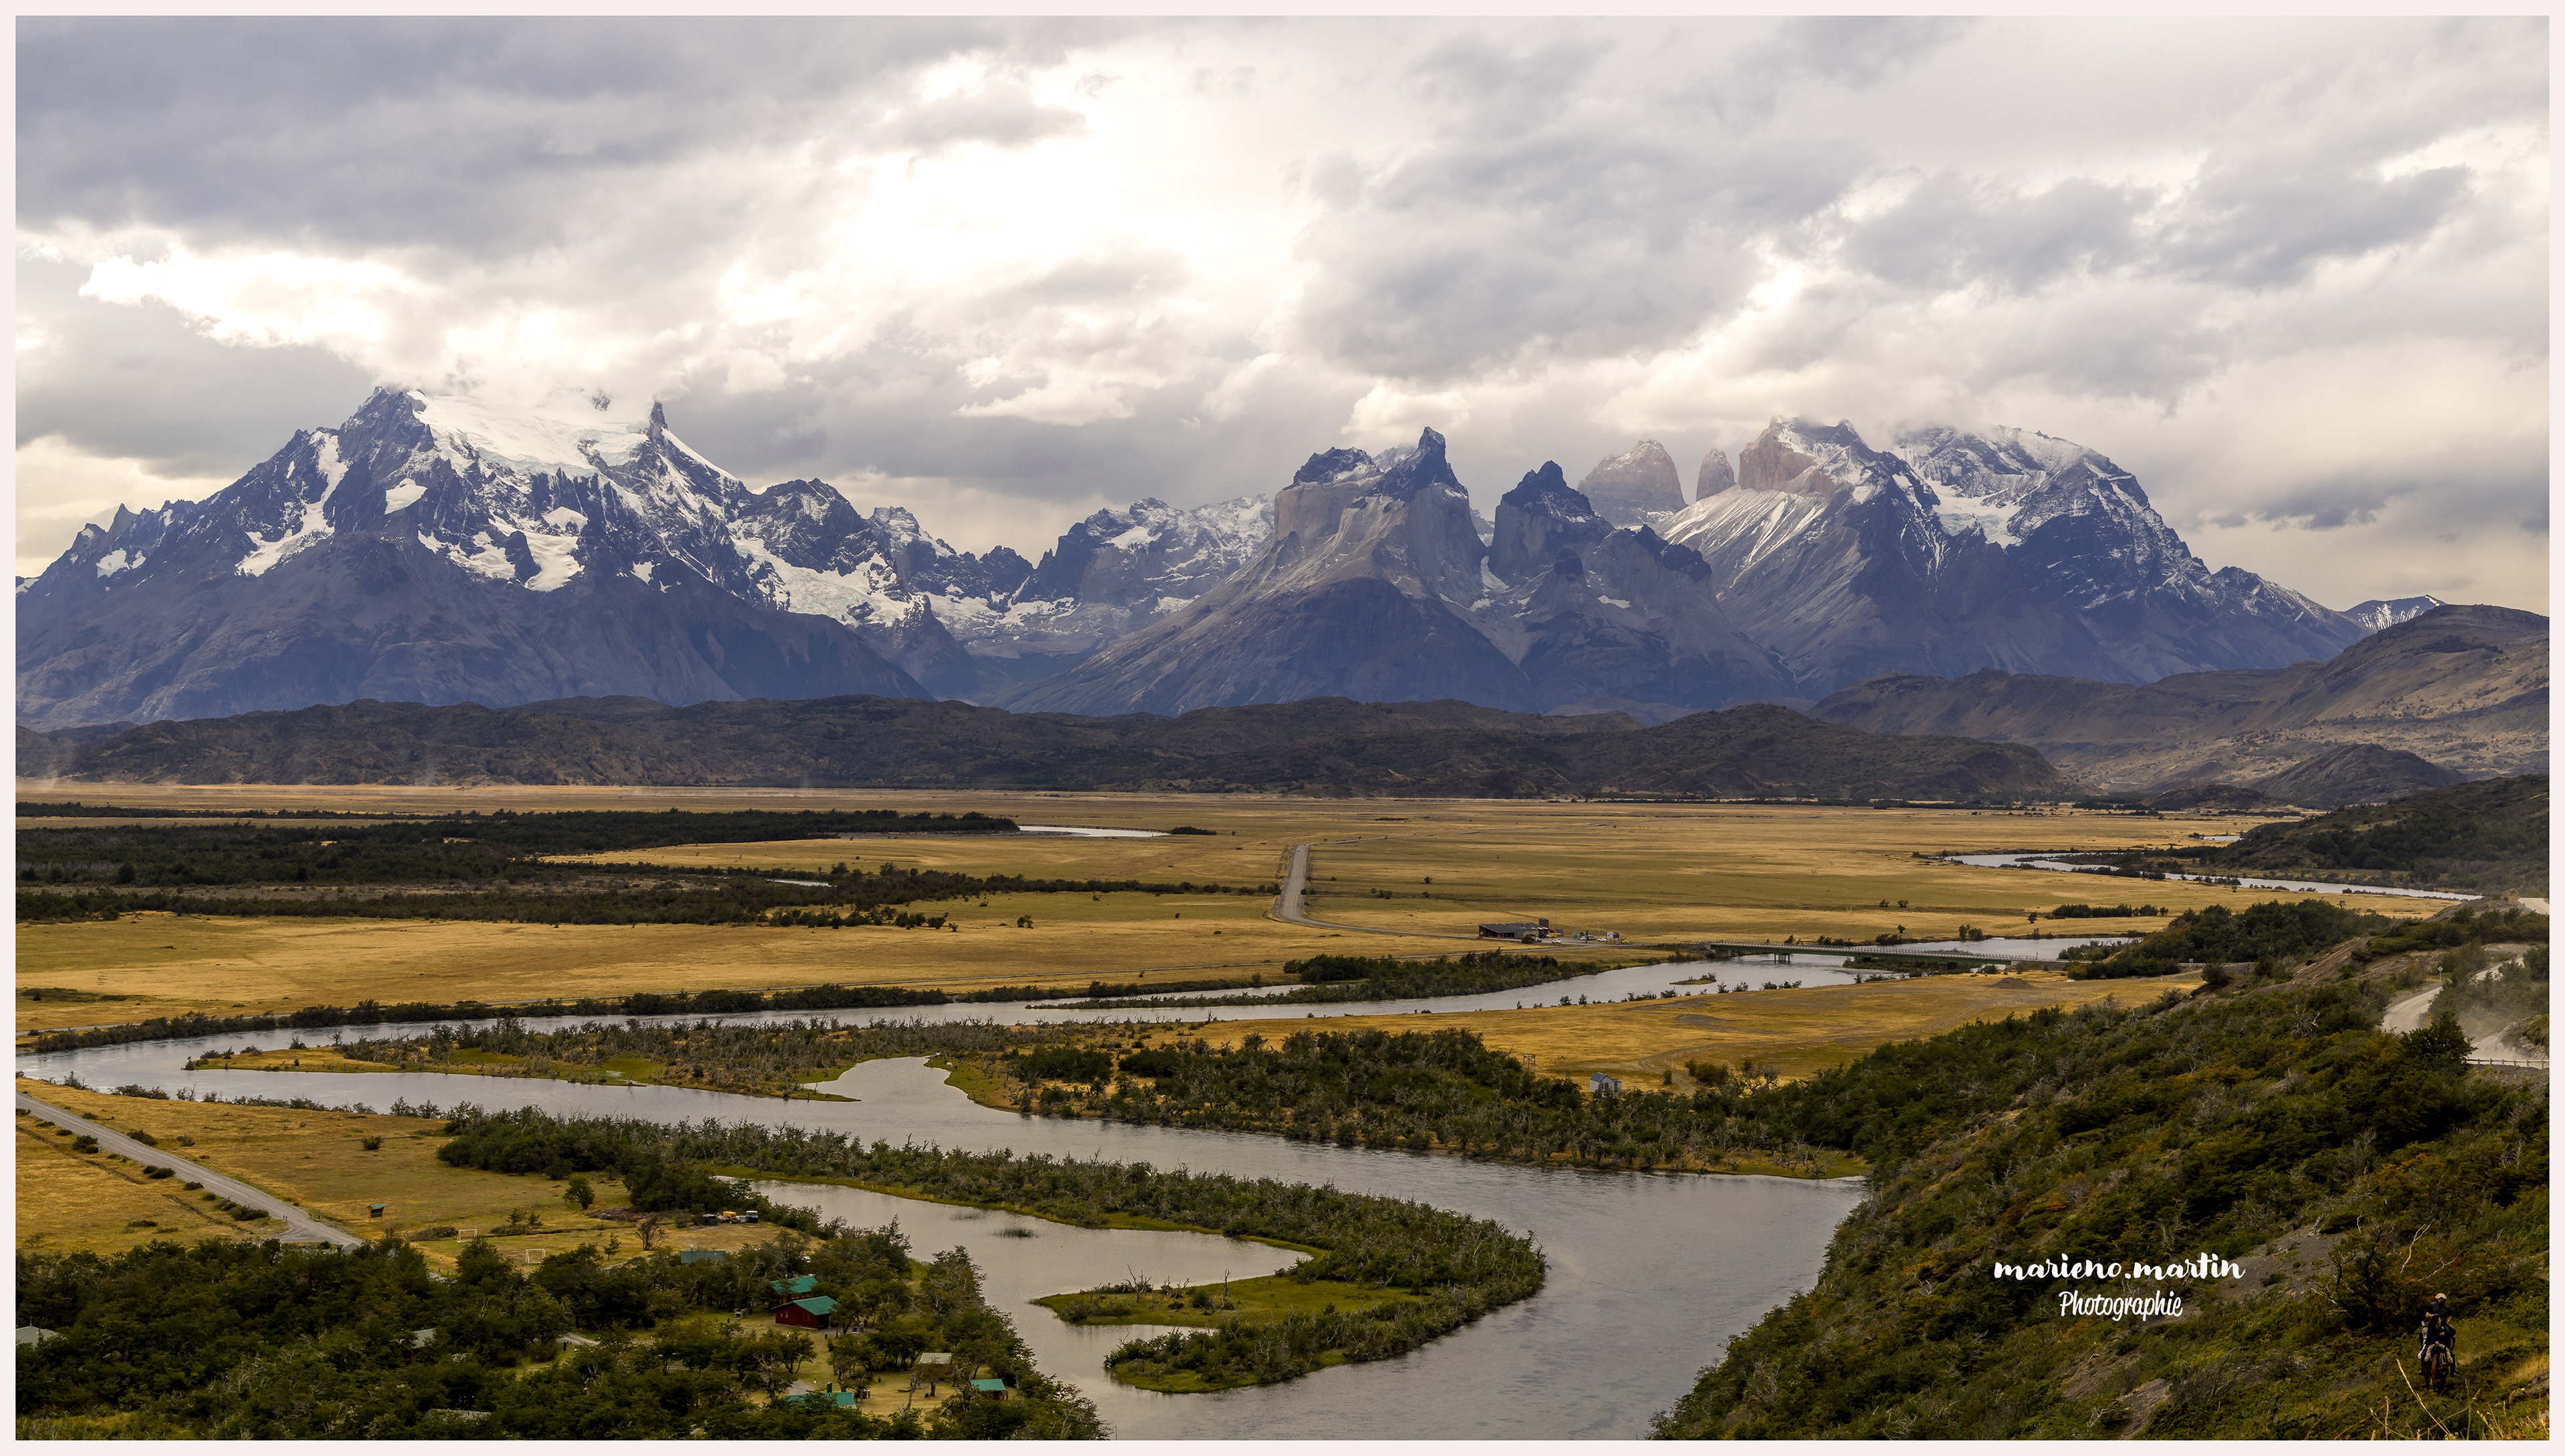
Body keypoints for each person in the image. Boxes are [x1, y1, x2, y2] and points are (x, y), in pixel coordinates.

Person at [2419, 1293, 2456, 1365]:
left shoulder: (2447, 1307)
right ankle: (2422, 1347)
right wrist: (2434, 1316)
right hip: (2433, 1321)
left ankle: (2450, 1347)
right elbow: (2427, 1314)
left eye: (2443, 1299)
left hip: (2444, 1322)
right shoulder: (2432, 1306)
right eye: (2440, 1299)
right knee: (2422, 1332)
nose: (2441, 1300)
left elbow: (2450, 1315)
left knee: (2450, 1332)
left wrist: (2448, 1321)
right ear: (2437, 1299)